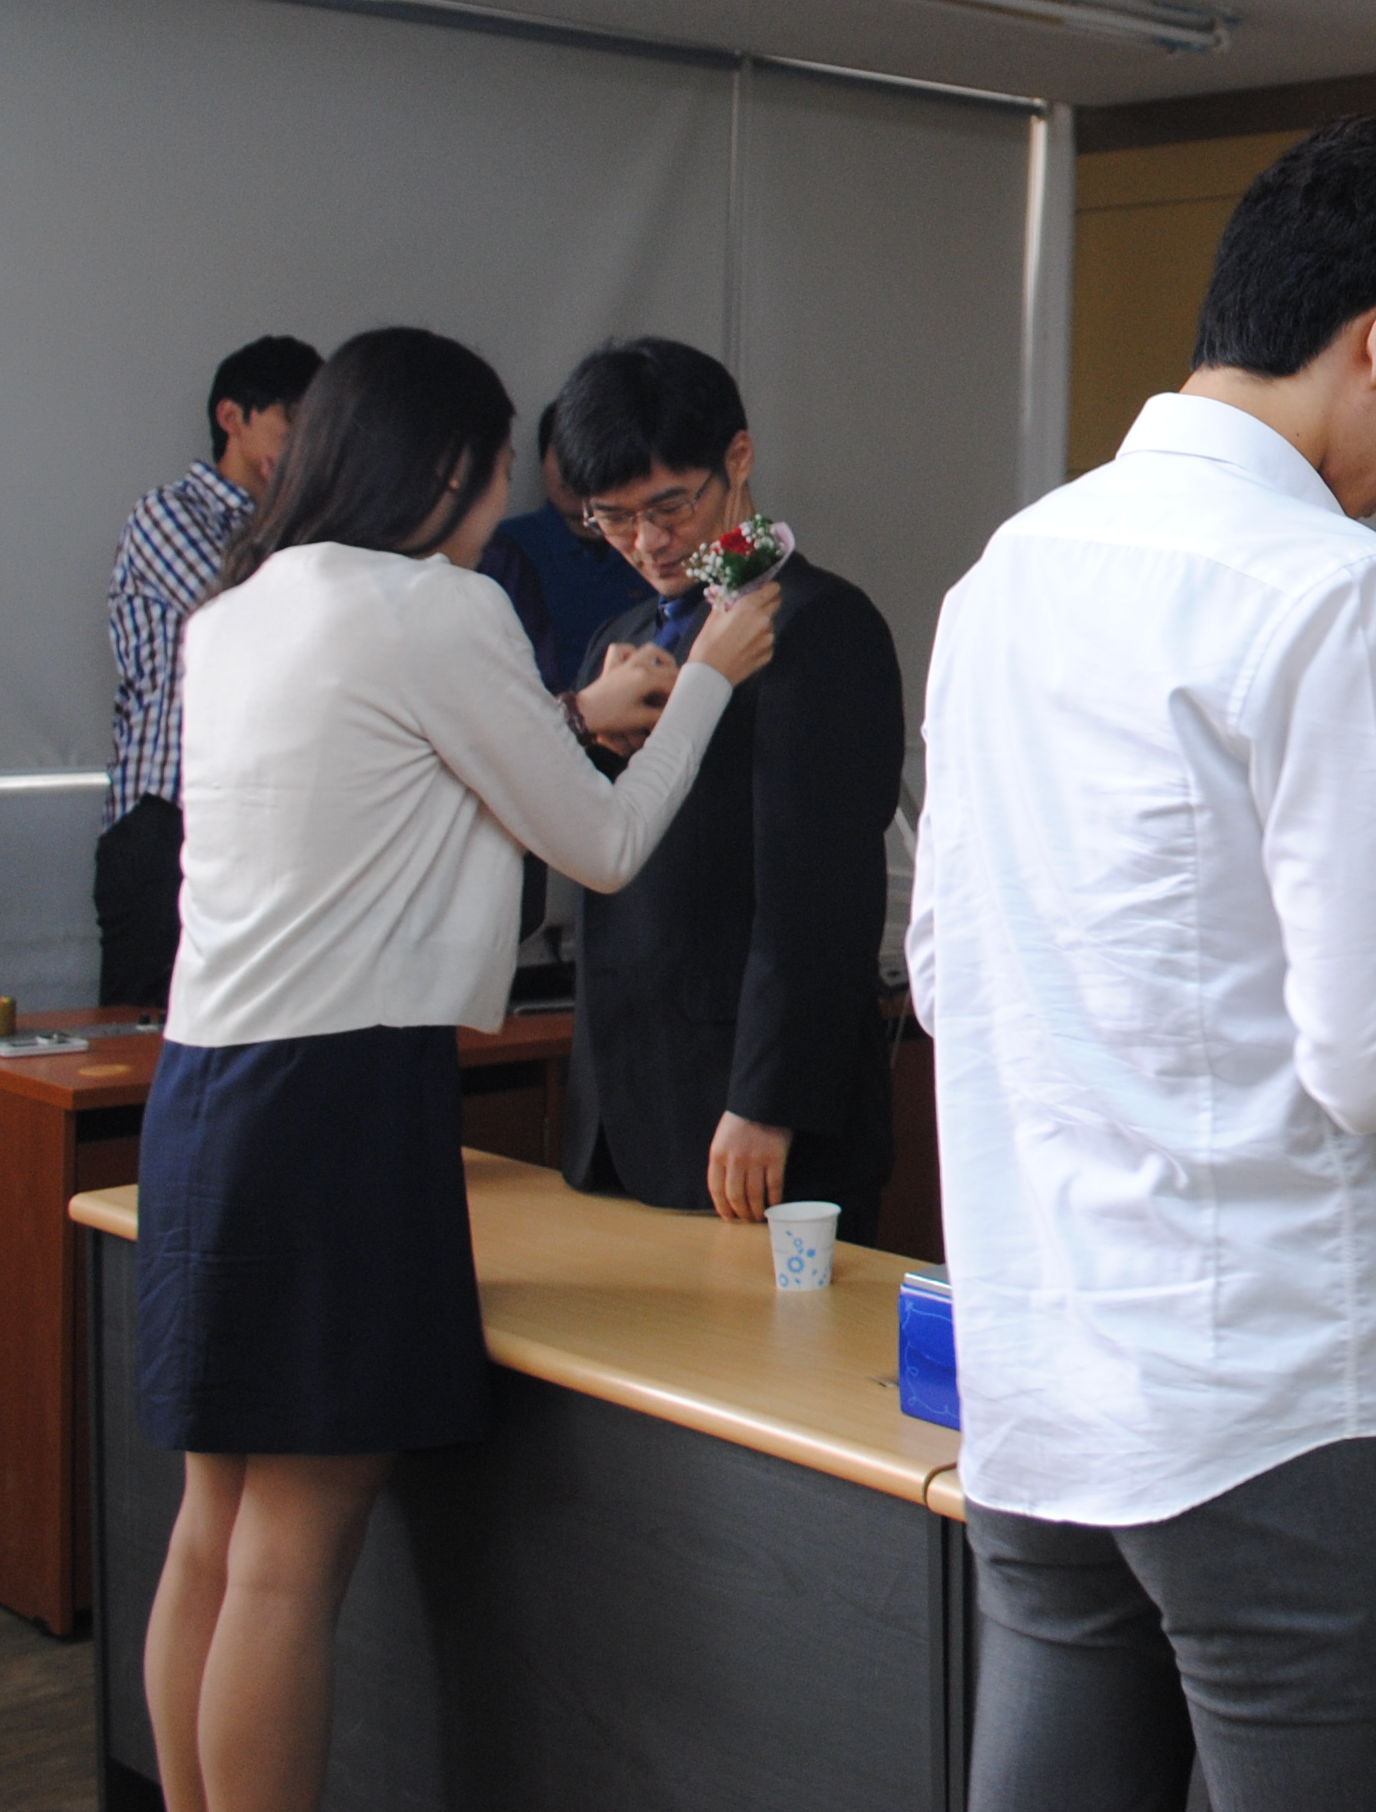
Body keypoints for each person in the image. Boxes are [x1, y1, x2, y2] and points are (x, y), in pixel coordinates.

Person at [909, 113, 1376, 1812]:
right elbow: (1368, 1056)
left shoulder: (1008, 571)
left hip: (1045, 1375)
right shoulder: (1336, 586)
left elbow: (951, 971)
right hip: (1271, 1403)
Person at [135, 326, 774, 1812]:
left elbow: (380, 764)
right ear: (442, 471)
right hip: (338, 1108)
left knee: (212, 1531)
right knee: (293, 1557)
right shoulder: (441, 605)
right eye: (498, 477)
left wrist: (567, 717)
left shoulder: (239, 609)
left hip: (207, 1091)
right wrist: (706, 681)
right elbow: (603, 846)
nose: (508, 511)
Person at [551, 339, 904, 1223]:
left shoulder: (822, 624)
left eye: (669, 506)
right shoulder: (619, 639)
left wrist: (766, 1101)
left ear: (737, 459)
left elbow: (822, 893)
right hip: (621, 1104)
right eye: (613, 519)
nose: (648, 543)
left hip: (746, 1113)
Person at [98, 335, 318, 1010]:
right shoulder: (169, 513)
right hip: (166, 818)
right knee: (145, 1037)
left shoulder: (306, 530)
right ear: (232, 418)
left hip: (263, 827)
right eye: (293, 420)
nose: (307, 444)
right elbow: (253, 622)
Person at [476, 403, 647, 690]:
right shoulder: (503, 551)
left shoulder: (649, 547)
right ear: (542, 459)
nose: (570, 472)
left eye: (582, 454)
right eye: (561, 454)